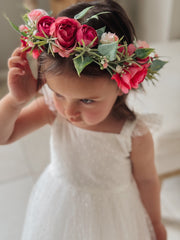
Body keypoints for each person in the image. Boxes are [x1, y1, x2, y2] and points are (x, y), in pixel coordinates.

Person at [1, 0, 167, 239]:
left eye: (87, 101)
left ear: (122, 85)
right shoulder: (51, 109)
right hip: (60, 205)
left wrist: (155, 224)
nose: (69, 112)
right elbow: (3, 136)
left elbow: (148, 180)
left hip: (115, 217)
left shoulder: (133, 134)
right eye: (58, 94)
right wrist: (16, 101)